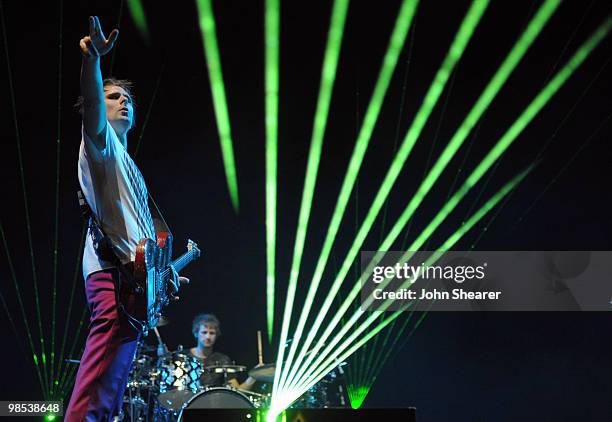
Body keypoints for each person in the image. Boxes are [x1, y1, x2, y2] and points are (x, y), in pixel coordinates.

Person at [65, 16, 186, 421]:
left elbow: (143, 240)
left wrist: (162, 274)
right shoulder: (100, 148)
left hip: (132, 283)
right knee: (98, 385)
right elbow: (93, 107)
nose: (123, 101)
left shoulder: (131, 168)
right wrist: (92, 62)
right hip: (110, 276)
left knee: (111, 390)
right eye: (113, 97)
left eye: (127, 98)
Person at [189, 314, 257, 390]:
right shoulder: (184, 357)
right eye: (204, 332)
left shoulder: (222, 360)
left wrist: (254, 376)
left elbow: (237, 392)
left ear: (216, 335)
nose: (208, 337)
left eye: (212, 333)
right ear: (196, 333)